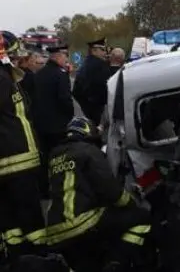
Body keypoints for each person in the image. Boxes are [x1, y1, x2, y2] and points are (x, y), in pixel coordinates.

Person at [46, 116, 153, 271]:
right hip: (82, 222)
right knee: (142, 219)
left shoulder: (54, 155)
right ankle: (116, 262)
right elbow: (110, 190)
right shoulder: (89, 151)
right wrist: (130, 203)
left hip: (56, 231)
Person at [0, 30, 46, 264]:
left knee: (11, 221)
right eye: (14, 55)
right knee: (29, 220)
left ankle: (19, 259)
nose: (18, 59)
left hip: (16, 161)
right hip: (17, 162)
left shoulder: (9, 77)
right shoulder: (2, 78)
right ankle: (38, 258)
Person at [33, 45, 74, 199]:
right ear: (58, 56)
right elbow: (64, 99)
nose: (66, 59)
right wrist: (70, 115)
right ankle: (60, 188)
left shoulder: (39, 74)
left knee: (44, 159)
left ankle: (44, 190)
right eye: (65, 56)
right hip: (58, 125)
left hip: (41, 124)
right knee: (60, 158)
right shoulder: (61, 74)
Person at [72, 37, 111, 126]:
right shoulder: (99, 65)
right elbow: (105, 87)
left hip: (90, 109)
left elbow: (76, 91)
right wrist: (95, 105)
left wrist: (86, 106)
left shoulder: (86, 63)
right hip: (99, 108)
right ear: (94, 50)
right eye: (102, 50)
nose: (105, 53)